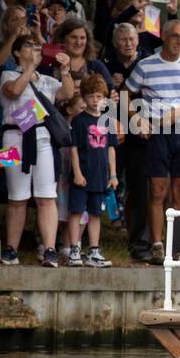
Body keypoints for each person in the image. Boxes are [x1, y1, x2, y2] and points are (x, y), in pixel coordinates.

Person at [124, 19, 180, 264]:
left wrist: (178, 113)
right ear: (163, 36)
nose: (179, 42)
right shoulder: (145, 65)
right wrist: (136, 119)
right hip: (156, 133)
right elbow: (124, 96)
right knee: (157, 189)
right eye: (175, 37)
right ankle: (157, 242)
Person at [0, 36, 76, 266]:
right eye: (29, 47)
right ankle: (11, 249)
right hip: (11, 139)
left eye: (37, 47)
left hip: (42, 138)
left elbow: (68, 93)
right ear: (16, 53)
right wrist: (31, 66)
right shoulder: (8, 74)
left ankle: (50, 249)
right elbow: (13, 91)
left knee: (46, 196)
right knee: (16, 196)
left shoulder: (47, 80)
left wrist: (65, 71)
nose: (35, 50)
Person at [65, 75, 117, 267]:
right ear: (84, 97)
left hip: (100, 176)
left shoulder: (107, 121)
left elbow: (111, 148)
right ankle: (74, 249)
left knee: (96, 214)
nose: (95, 100)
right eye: (91, 96)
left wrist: (113, 175)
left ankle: (94, 251)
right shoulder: (79, 121)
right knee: (77, 212)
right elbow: (74, 149)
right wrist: (77, 173)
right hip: (83, 176)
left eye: (99, 96)